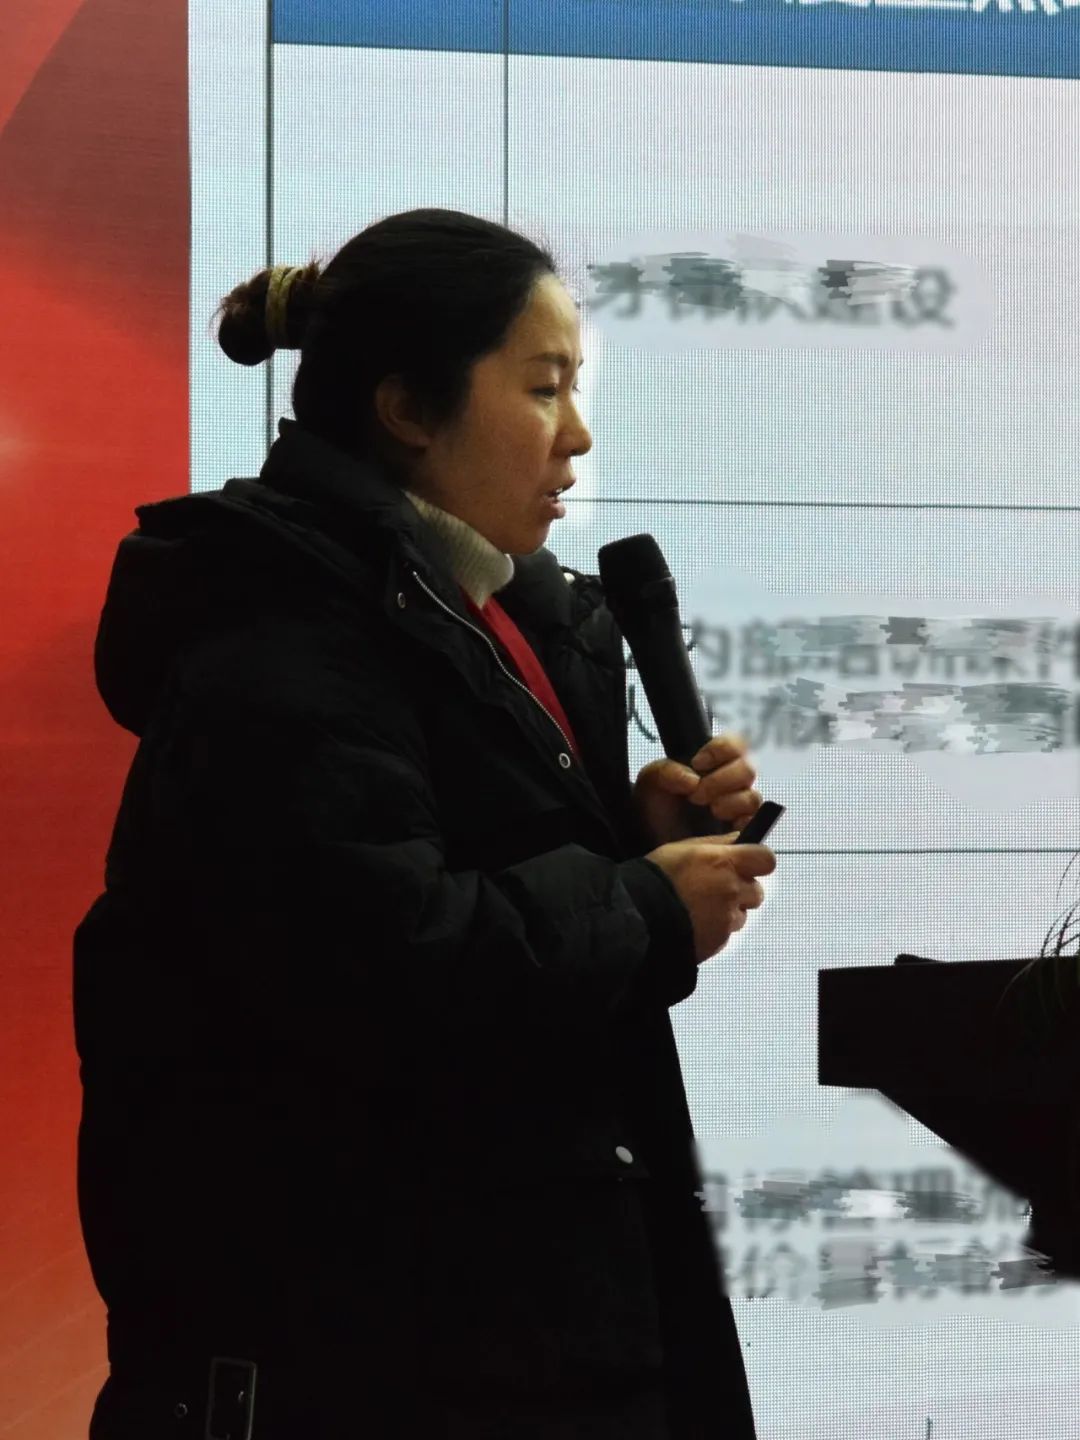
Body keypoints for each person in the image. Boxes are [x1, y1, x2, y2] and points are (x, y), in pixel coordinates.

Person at [74, 207, 777, 1439]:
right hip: (372, 1365)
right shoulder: (283, 638)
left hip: (519, 1338)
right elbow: (380, 958)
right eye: (543, 388)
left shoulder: (483, 613)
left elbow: (456, 873)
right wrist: (645, 907)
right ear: (407, 408)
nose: (578, 434)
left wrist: (626, 834)